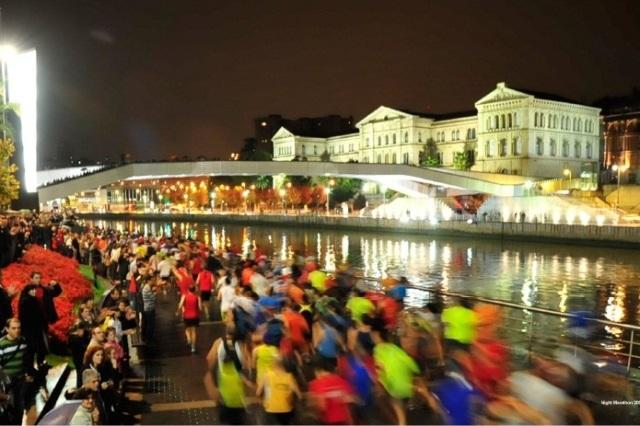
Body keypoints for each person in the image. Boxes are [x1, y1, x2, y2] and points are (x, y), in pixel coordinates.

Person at [203, 326, 247, 425]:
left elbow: (209, 358)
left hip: (222, 377)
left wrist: (212, 370)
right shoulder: (240, 344)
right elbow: (245, 362)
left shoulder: (219, 342)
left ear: (225, 332)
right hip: (237, 380)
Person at [19, 272, 62, 369]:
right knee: (32, 346)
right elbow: (22, 305)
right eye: (36, 277)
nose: (38, 279)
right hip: (30, 324)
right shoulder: (27, 290)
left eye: (39, 277)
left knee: (42, 344)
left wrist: (56, 285)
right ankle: (30, 366)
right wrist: (30, 297)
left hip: (42, 322)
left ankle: (41, 362)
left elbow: (56, 292)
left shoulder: (43, 290)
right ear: (31, 279)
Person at [0, 318, 32, 424]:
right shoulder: (2, 344)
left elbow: (25, 360)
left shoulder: (23, 341)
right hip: (8, 383)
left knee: (20, 408)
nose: (17, 330)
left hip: (21, 380)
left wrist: (27, 374)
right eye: (13, 328)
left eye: (18, 328)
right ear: (7, 329)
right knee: (10, 409)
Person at [308, 356, 355, 425]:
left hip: (328, 421)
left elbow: (322, 406)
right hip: (344, 420)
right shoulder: (341, 381)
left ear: (318, 371)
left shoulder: (317, 384)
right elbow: (349, 401)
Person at [256, 356, 301, 425]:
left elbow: (258, 393)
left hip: (270, 409)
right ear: (283, 365)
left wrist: (262, 400)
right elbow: (299, 395)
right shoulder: (289, 377)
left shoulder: (267, 376)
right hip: (286, 410)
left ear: (273, 365)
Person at [177, 285, 202, 353]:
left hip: (186, 316)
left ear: (188, 290)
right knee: (193, 331)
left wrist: (178, 312)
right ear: (194, 290)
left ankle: (188, 339)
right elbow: (200, 308)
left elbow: (180, 305)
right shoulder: (197, 297)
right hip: (195, 316)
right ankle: (193, 347)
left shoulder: (184, 296)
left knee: (187, 329)